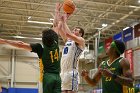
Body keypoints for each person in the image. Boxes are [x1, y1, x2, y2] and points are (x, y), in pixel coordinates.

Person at [0, 29, 61, 93]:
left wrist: (4, 41)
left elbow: (20, 44)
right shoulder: (56, 44)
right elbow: (55, 32)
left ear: (43, 39)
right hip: (57, 78)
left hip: (47, 77)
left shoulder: (39, 48)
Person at [54, 3, 85, 93]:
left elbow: (69, 34)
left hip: (72, 73)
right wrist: (57, 12)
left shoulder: (81, 41)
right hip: (63, 72)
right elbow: (59, 29)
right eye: (74, 29)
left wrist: (64, 21)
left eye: (76, 30)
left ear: (80, 34)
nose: (74, 30)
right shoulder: (68, 40)